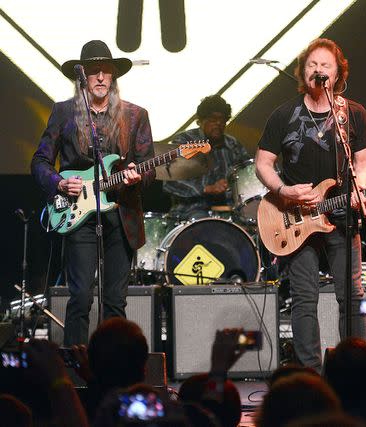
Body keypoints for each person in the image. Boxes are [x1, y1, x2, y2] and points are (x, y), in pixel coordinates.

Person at [255, 38, 366, 371]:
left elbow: (363, 163)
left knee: (352, 297)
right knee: (304, 299)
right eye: (312, 65)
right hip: (296, 217)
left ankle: (353, 370)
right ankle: (310, 373)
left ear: (338, 73)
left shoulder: (353, 114)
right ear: (302, 71)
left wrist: (361, 188)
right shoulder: (284, 114)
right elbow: (262, 163)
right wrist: (284, 190)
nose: (318, 70)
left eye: (325, 66)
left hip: (342, 216)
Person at [31, 40, 155, 345]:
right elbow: (40, 161)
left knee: (115, 300)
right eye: (93, 71)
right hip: (78, 213)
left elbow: (148, 168)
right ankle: (77, 367)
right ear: (82, 77)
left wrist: (136, 178)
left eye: (106, 71)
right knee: (81, 296)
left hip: (121, 215)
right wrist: (59, 183)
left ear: (113, 77)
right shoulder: (63, 113)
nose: (100, 77)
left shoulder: (135, 116)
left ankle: (115, 367)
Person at [163, 94, 250, 221]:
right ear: (201, 120)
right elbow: (170, 182)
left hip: (229, 209)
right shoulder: (184, 141)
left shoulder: (233, 144)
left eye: (223, 120)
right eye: (213, 119)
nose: (219, 124)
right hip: (191, 210)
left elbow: (248, 173)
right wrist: (207, 189)